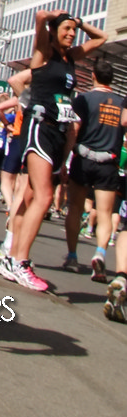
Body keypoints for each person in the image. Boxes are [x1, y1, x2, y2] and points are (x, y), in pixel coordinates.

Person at [0, 9, 106, 292]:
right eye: (66, 29)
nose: (71, 34)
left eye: (73, 30)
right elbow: (39, 18)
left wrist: (79, 22)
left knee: (31, 195)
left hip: (58, 132)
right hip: (40, 127)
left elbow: (102, 38)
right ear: (54, 31)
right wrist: (52, 17)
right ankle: (21, 262)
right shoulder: (44, 53)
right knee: (45, 196)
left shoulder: (71, 57)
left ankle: (11, 257)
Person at [63, 58, 127, 281]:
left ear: (93, 76)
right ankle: (100, 253)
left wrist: (64, 161)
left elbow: (74, 130)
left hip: (83, 159)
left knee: (75, 207)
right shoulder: (121, 103)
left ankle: (72, 257)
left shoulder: (83, 99)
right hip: (108, 163)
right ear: (112, 79)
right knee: (105, 213)